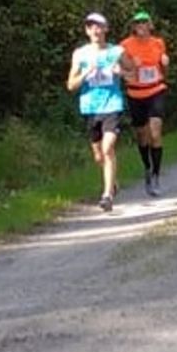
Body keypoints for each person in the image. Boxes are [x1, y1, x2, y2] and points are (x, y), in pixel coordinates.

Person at [66, 12, 126, 212]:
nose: (96, 30)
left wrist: (121, 72)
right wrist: (85, 73)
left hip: (112, 105)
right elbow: (70, 85)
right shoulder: (80, 54)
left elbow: (133, 73)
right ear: (87, 30)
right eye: (92, 27)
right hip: (91, 107)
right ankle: (113, 181)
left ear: (106, 29)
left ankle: (107, 195)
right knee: (99, 155)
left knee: (108, 148)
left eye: (100, 26)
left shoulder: (116, 51)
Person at [120, 10, 169, 197]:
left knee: (155, 133)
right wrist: (132, 65)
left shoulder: (158, 43)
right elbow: (123, 70)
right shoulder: (125, 46)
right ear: (133, 27)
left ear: (150, 25)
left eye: (144, 22)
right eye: (137, 23)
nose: (141, 26)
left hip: (156, 90)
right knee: (142, 135)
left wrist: (166, 64)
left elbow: (164, 71)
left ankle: (156, 175)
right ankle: (147, 168)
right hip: (135, 94)